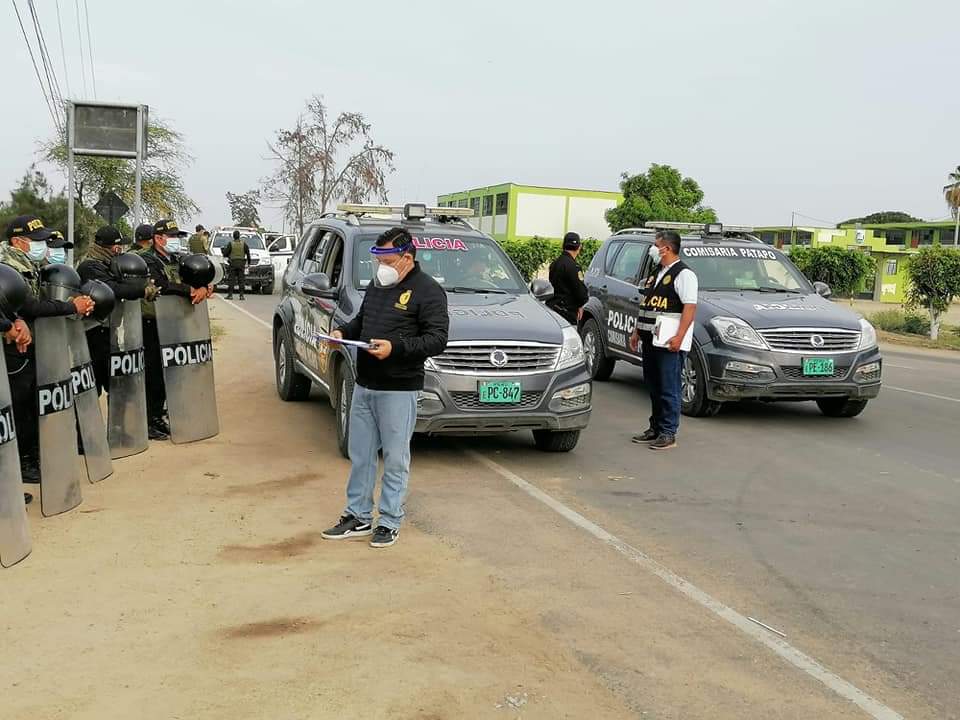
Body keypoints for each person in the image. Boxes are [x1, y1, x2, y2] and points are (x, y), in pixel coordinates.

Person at [321, 227, 449, 548]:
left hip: (399, 388)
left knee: (394, 458)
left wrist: (396, 347)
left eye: (387, 259)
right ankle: (358, 516)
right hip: (365, 384)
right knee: (361, 455)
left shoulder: (428, 291)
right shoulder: (378, 286)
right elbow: (361, 322)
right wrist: (340, 331)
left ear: (407, 257)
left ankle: (389, 520)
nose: (381, 266)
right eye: (378, 259)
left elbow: (437, 339)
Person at [1, 215, 94, 481]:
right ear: (18, 241)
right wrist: (70, 307)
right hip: (12, 348)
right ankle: (21, 464)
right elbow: (29, 306)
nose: (43, 246)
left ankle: (29, 458)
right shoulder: (8, 265)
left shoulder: (28, 264)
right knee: (17, 408)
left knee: (29, 403)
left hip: (28, 343)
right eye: (36, 241)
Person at [140, 219, 212, 440]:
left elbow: (194, 273)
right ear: (158, 238)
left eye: (177, 236)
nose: (175, 240)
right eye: (171, 236)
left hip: (175, 322)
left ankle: (161, 413)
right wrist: (190, 290)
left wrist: (204, 286)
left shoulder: (176, 259)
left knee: (171, 371)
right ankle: (149, 420)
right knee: (153, 373)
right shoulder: (147, 260)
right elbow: (161, 284)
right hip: (152, 322)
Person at [628, 230, 698, 451]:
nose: (652, 249)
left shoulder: (684, 275)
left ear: (666, 248)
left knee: (669, 388)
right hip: (650, 339)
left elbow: (690, 307)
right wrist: (637, 331)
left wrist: (680, 336)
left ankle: (668, 432)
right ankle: (656, 427)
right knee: (654, 385)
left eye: (655, 245)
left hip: (669, 342)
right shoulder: (656, 272)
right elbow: (647, 304)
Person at [77, 226, 159, 394]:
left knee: (118, 386)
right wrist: (141, 291)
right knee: (93, 388)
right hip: (92, 332)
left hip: (109, 329)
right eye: (118, 245)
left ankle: (118, 420)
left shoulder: (109, 263)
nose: (120, 249)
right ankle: (87, 421)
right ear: (110, 247)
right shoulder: (90, 266)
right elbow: (113, 288)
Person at [546, 231, 589, 325]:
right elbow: (580, 291)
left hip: (552, 310)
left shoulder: (555, 264)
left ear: (563, 246)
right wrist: (581, 304)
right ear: (579, 247)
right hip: (568, 313)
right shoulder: (574, 267)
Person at [222, 229, 251, 300]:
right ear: (239, 236)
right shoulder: (244, 244)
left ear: (233, 236)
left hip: (233, 264)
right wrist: (249, 263)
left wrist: (225, 253)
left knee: (232, 280)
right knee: (241, 280)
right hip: (241, 264)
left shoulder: (230, 244)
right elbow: (248, 254)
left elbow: (225, 254)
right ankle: (241, 295)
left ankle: (230, 295)